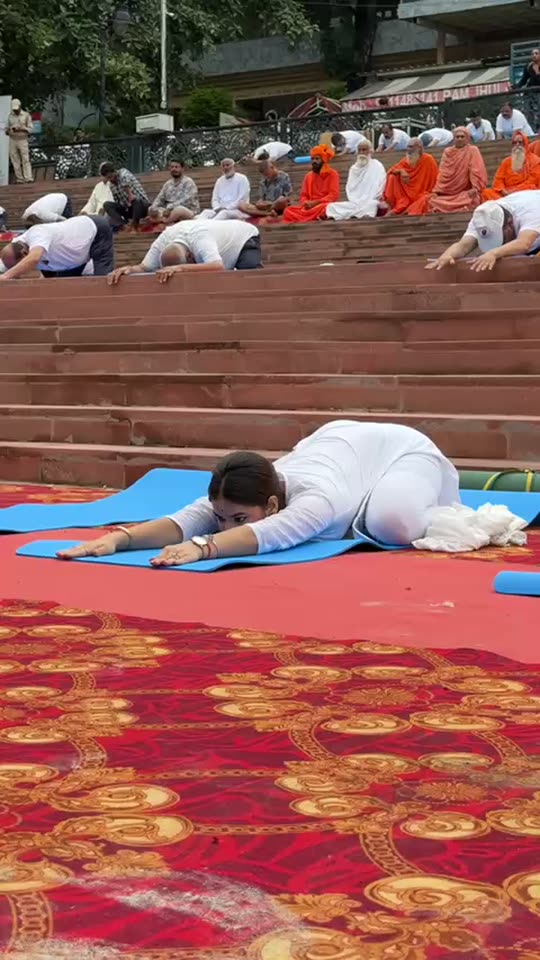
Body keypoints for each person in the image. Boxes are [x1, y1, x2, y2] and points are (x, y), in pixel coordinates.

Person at [56, 420, 460, 565]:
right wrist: (119, 540)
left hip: (402, 451)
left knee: (392, 524)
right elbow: (188, 520)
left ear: (272, 504)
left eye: (239, 519)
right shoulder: (248, 487)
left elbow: (272, 534)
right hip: (338, 442)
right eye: (223, 519)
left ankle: (447, 509)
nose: (226, 527)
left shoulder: (316, 499)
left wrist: (203, 548)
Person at [108, 219, 262, 284]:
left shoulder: (200, 238)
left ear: (189, 255)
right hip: (217, 244)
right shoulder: (164, 239)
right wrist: (128, 269)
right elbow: (144, 267)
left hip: (243, 237)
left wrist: (180, 268)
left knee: (249, 276)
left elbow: (217, 266)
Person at [427, 190, 540, 273]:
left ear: (509, 224)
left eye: (502, 238)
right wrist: (448, 255)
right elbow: (463, 245)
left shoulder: (531, 211)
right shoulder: (482, 217)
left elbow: (524, 244)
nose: (501, 244)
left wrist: (493, 253)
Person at [0, 216, 114, 280]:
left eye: (16, 266)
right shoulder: (13, 249)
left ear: (25, 253)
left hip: (95, 232)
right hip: (72, 259)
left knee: (102, 280)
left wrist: (6, 276)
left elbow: (34, 258)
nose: (18, 272)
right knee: (62, 287)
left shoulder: (37, 233)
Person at [407, 127, 487, 216]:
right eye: (457, 137)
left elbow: (476, 171)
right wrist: (437, 191)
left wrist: (475, 188)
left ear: (467, 138)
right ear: (454, 139)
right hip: (447, 193)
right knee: (432, 201)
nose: (459, 139)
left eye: (462, 137)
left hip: (463, 193)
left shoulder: (472, 150)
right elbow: (443, 173)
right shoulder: (448, 152)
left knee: (472, 198)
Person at [326, 141, 386, 221]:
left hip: (370, 201)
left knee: (372, 205)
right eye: (359, 150)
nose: (361, 152)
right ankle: (357, 214)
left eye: (364, 150)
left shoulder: (377, 165)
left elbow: (381, 185)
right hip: (355, 203)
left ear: (370, 151)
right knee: (331, 206)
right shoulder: (353, 168)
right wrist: (356, 200)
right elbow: (350, 188)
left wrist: (371, 198)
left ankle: (354, 214)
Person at [282, 145, 340, 224]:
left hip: (323, 205)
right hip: (309, 207)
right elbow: (303, 195)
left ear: (323, 160)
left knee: (326, 208)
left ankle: (310, 217)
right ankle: (314, 217)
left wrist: (316, 203)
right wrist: (306, 203)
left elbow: (333, 195)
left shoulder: (333, 174)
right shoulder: (308, 176)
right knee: (288, 210)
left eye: (317, 159)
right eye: (312, 159)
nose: (314, 161)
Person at [382, 138, 439, 216]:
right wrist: (401, 171)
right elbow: (391, 170)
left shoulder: (429, 159)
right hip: (405, 195)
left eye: (411, 147)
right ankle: (396, 206)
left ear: (419, 148)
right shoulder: (407, 160)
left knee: (427, 198)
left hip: (421, 194)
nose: (408, 149)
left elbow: (435, 180)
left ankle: (406, 211)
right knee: (392, 177)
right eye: (408, 147)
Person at [482, 131, 540, 201]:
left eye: (520, 142)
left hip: (524, 192)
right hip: (506, 194)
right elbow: (498, 179)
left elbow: (532, 182)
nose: (517, 145)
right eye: (515, 143)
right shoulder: (506, 161)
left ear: (525, 144)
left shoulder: (535, 161)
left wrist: (514, 191)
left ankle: (505, 204)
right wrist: (503, 190)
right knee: (486, 192)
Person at [148, 160, 199, 224]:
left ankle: (163, 221)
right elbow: (159, 198)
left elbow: (187, 200)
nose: (174, 169)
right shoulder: (167, 184)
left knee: (179, 210)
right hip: (168, 211)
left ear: (182, 169)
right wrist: (153, 208)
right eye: (172, 167)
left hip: (187, 210)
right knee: (151, 209)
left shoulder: (188, 182)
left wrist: (170, 208)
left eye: (176, 167)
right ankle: (164, 220)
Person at [100, 162, 150, 229]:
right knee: (107, 204)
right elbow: (118, 202)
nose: (111, 180)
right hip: (128, 209)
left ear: (115, 172)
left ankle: (134, 226)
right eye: (108, 178)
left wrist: (129, 194)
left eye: (111, 177)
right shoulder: (112, 185)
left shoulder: (123, 173)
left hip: (141, 206)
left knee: (135, 200)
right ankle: (123, 225)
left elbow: (125, 179)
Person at [6, 98, 33, 183]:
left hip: (22, 139)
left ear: (20, 106)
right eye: (14, 109)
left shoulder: (26, 115)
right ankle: (19, 178)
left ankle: (28, 177)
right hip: (13, 139)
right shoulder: (10, 116)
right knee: (15, 159)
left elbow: (30, 129)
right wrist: (9, 130)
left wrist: (21, 128)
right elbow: (7, 129)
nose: (15, 111)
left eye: (17, 109)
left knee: (25, 159)